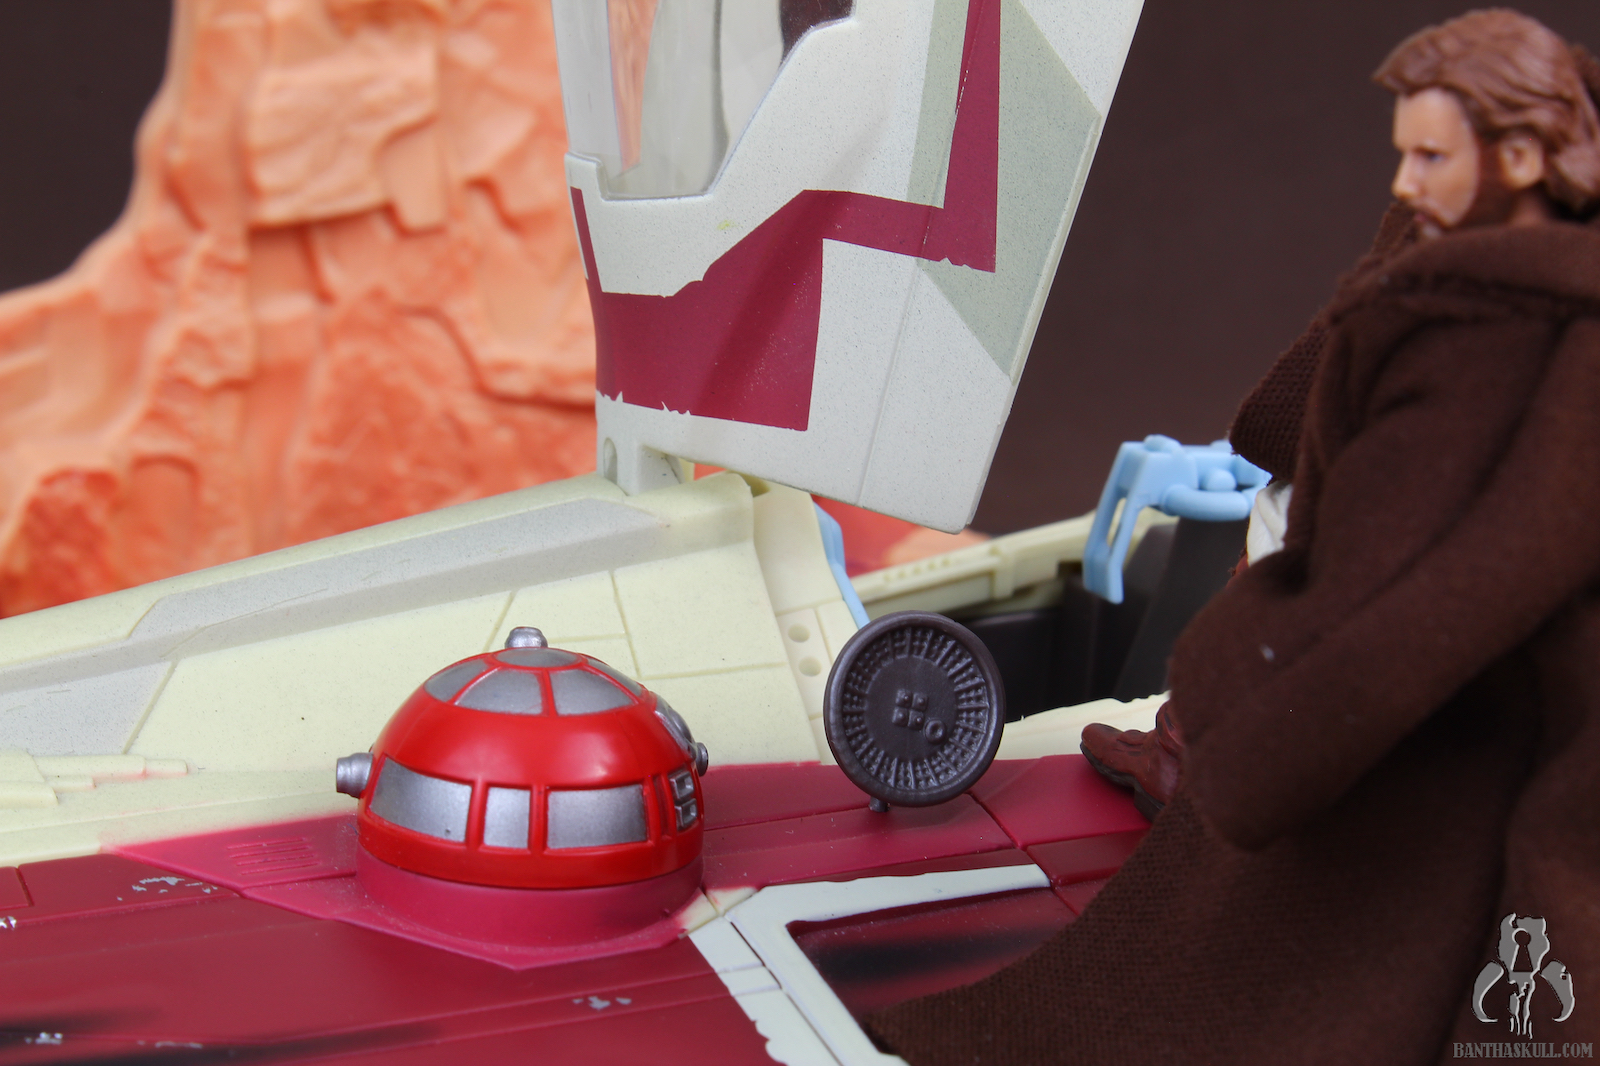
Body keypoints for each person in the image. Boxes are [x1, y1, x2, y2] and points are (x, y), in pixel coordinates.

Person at [865, 10, 1600, 1063]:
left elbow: (1404, 613)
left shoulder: (1506, 350)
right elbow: (1290, 425)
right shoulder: (1471, 271)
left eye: (1431, 159)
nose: (1407, 182)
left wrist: (1239, 711)